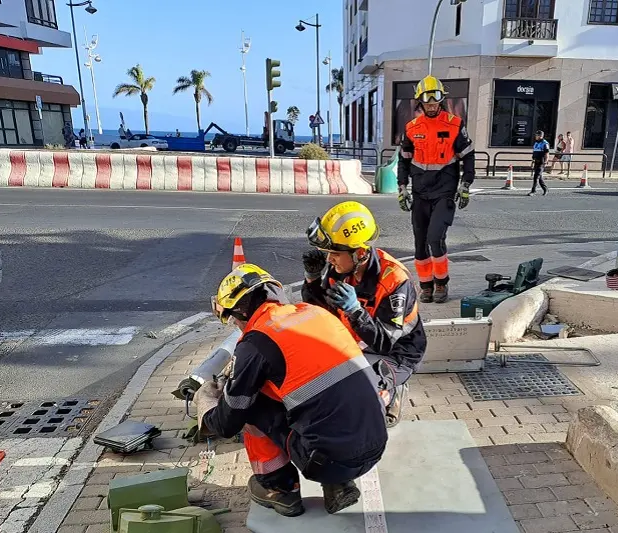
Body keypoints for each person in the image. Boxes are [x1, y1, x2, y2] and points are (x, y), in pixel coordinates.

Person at [194, 264, 388, 518]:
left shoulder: (256, 341)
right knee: (312, 401)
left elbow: (228, 422)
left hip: (329, 461)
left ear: (239, 314)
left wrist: (207, 401)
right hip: (376, 444)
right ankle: (338, 484)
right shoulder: (314, 313)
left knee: (249, 406)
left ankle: (278, 488)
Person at [302, 201, 427, 428]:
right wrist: (311, 281)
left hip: (396, 354)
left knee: (359, 402)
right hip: (355, 345)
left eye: (335, 254)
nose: (329, 259)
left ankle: (392, 390)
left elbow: (384, 343)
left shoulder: (395, 281)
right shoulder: (340, 268)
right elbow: (321, 314)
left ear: (359, 253)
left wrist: (356, 312)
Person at [397, 75, 476, 304]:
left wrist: (465, 185)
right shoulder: (412, 128)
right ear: (419, 101)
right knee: (420, 243)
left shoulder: (454, 124)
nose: (431, 104)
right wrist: (402, 188)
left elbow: (468, 157)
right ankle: (426, 286)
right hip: (420, 192)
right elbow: (404, 160)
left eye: (436, 99)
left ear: (441, 99)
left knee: (435, 238)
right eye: (427, 100)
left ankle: (441, 283)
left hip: (444, 191)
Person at [529, 130, 549, 196]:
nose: (535, 136)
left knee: (536, 177)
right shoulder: (536, 143)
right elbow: (534, 153)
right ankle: (545, 189)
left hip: (541, 162)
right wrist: (532, 162)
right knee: (539, 177)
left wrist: (545, 162)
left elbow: (547, 153)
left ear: (540, 136)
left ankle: (533, 191)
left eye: (537, 135)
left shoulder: (545, 143)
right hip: (536, 161)